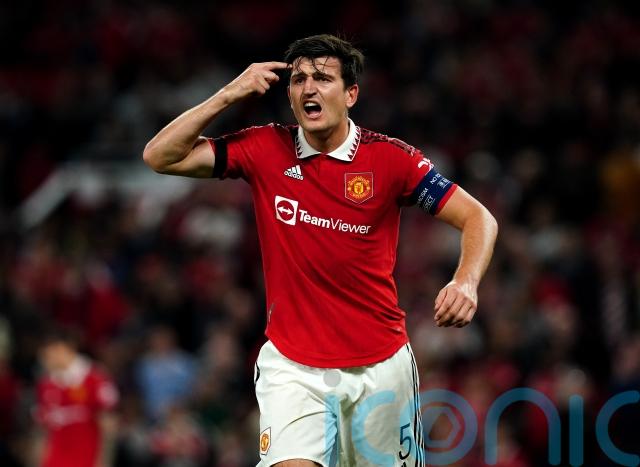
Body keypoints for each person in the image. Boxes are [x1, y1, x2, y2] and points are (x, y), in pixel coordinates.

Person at [144, 34, 498, 467]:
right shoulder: (264, 148)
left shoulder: (392, 160)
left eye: (323, 78)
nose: (308, 88)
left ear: (351, 94)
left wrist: (465, 282)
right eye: (298, 80)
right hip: (293, 367)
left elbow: (479, 217)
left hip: (380, 367)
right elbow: (160, 156)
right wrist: (230, 94)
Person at [34, 328, 119, 467]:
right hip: (55, 461)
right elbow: (43, 430)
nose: (45, 361)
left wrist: (104, 461)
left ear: (62, 349)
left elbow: (109, 425)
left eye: (47, 355)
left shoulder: (96, 379)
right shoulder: (46, 385)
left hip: (87, 459)